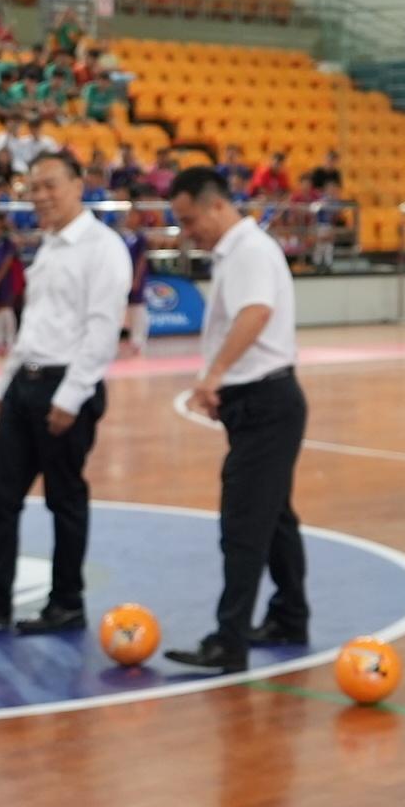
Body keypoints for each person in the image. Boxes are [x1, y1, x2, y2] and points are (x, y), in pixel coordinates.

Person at [0, 151, 125, 634]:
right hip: (26, 384)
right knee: (0, 493)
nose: (40, 196)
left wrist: (71, 397)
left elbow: (102, 331)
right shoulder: (49, 247)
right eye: (34, 188)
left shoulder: (103, 248)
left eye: (50, 186)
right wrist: (3, 384)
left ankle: (67, 603)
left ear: (78, 185)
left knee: (64, 500)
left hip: (65, 386)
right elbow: (34, 327)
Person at [160, 165, 307, 673]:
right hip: (260, 401)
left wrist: (214, 374)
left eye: (190, 220)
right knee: (275, 518)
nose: (187, 232)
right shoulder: (238, 252)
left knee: (243, 524)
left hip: (266, 402)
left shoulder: (247, 252)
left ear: (218, 205)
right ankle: (290, 616)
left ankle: (229, 640)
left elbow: (255, 313)